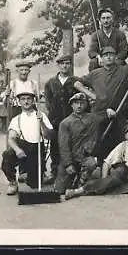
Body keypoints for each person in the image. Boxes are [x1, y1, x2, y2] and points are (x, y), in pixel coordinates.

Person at [74, 40, 128, 163]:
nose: (108, 57)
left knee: (121, 142)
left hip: (118, 114)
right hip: (100, 115)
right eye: (105, 55)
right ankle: (96, 166)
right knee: (99, 143)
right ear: (101, 58)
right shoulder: (95, 74)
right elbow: (77, 83)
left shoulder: (122, 70)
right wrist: (92, 95)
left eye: (111, 54)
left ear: (115, 56)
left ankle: (122, 166)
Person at [64, 120, 128, 200]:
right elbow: (107, 163)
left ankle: (99, 190)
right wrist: (104, 179)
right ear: (125, 136)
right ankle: (77, 191)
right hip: (124, 173)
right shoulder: (123, 146)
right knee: (111, 180)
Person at [54, 93, 116, 195]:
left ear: (86, 105)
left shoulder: (93, 118)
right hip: (71, 158)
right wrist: (68, 164)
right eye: (76, 103)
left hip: (85, 157)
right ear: (71, 105)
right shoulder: (65, 123)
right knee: (59, 190)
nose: (79, 106)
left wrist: (108, 111)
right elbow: (63, 146)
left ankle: (81, 184)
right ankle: (72, 179)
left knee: (91, 164)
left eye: (82, 103)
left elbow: (105, 114)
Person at [1, 88, 53, 195]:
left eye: (29, 99)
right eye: (23, 99)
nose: (26, 101)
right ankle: (12, 182)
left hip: (37, 149)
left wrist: (42, 122)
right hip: (23, 147)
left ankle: (29, 174)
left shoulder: (41, 115)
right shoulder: (17, 119)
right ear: (19, 102)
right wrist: (17, 150)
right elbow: (11, 138)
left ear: (33, 100)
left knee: (34, 184)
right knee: (7, 154)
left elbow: (49, 136)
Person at [43, 55, 79, 184]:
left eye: (67, 63)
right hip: (56, 120)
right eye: (62, 63)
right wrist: (53, 117)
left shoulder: (76, 81)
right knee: (55, 146)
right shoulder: (50, 83)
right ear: (58, 65)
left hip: (71, 119)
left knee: (72, 145)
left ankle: (73, 174)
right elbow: (48, 102)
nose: (65, 66)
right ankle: (54, 172)